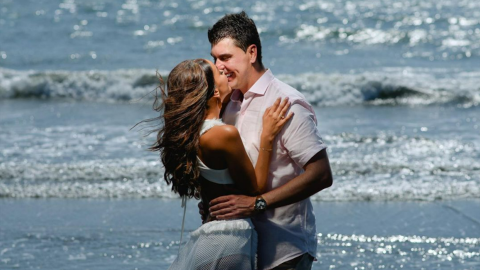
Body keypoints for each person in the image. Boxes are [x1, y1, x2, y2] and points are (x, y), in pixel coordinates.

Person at [206, 12, 333, 270]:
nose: (218, 66)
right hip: (239, 249)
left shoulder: (286, 103)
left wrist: (257, 203)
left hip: (283, 251)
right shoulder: (227, 102)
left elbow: (321, 174)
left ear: (251, 53)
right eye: (215, 58)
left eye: (226, 57)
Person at [149, 58, 293, 269]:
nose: (224, 70)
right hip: (230, 239)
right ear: (214, 91)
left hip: (211, 235)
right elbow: (256, 189)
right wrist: (267, 138)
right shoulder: (222, 134)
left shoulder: (189, 135)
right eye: (218, 72)